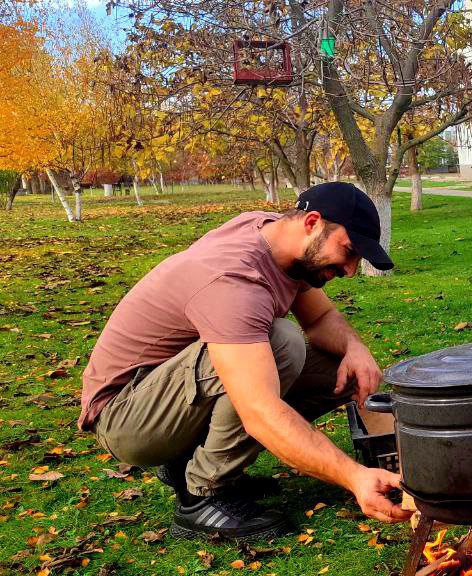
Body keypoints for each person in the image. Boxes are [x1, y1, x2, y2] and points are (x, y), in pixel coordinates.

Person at [79, 182, 413, 540]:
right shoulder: (235, 279)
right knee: (282, 344)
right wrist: (353, 477)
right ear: (312, 222)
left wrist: (356, 348)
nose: (349, 270)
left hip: (166, 393)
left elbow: (319, 321)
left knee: (341, 370)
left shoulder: (274, 236)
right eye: (348, 251)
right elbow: (259, 412)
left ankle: (192, 456)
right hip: (128, 418)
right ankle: (200, 496)